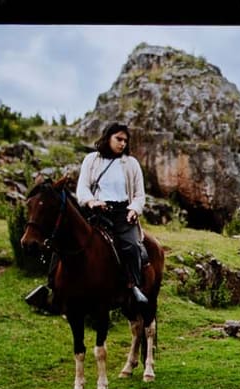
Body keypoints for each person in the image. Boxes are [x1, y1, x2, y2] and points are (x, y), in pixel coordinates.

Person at [26, 122, 149, 313]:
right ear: (108, 137)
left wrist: (134, 209)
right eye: (118, 139)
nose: (122, 143)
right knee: (62, 240)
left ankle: (133, 287)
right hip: (97, 211)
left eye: (125, 140)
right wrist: (91, 202)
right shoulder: (92, 160)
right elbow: (82, 187)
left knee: (132, 245)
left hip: (123, 214)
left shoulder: (131, 164)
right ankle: (51, 288)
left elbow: (140, 195)